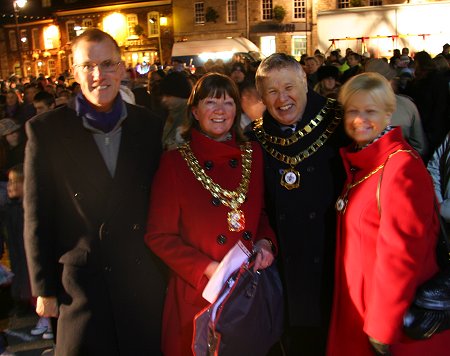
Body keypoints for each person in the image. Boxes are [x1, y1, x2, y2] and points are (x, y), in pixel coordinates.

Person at [23, 28, 166, 356]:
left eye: (106, 64)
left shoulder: (149, 125)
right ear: (74, 72)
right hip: (82, 286)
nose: (98, 75)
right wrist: (43, 288)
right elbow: (37, 214)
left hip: (140, 282)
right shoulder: (46, 130)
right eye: (87, 66)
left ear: (121, 68)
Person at [145, 72, 277, 356]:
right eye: (211, 102)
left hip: (245, 293)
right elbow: (158, 236)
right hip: (199, 294)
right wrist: (207, 269)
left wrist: (266, 242)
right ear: (194, 111)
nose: (220, 110)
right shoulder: (174, 163)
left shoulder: (253, 153)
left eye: (228, 103)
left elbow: (261, 214)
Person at [328, 72, 450, 355]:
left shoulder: (400, 166)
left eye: (370, 111)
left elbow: (402, 255)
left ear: (388, 113)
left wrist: (382, 327)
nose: (360, 119)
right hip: (363, 310)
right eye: (353, 111)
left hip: (390, 325)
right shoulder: (365, 160)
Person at [250, 53, 346, 356]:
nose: (282, 99)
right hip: (284, 275)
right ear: (262, 97)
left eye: (289, 87)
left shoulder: (342, 122)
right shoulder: (254, 137)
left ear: (305, 82)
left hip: (336, 263)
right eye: (272, 92)